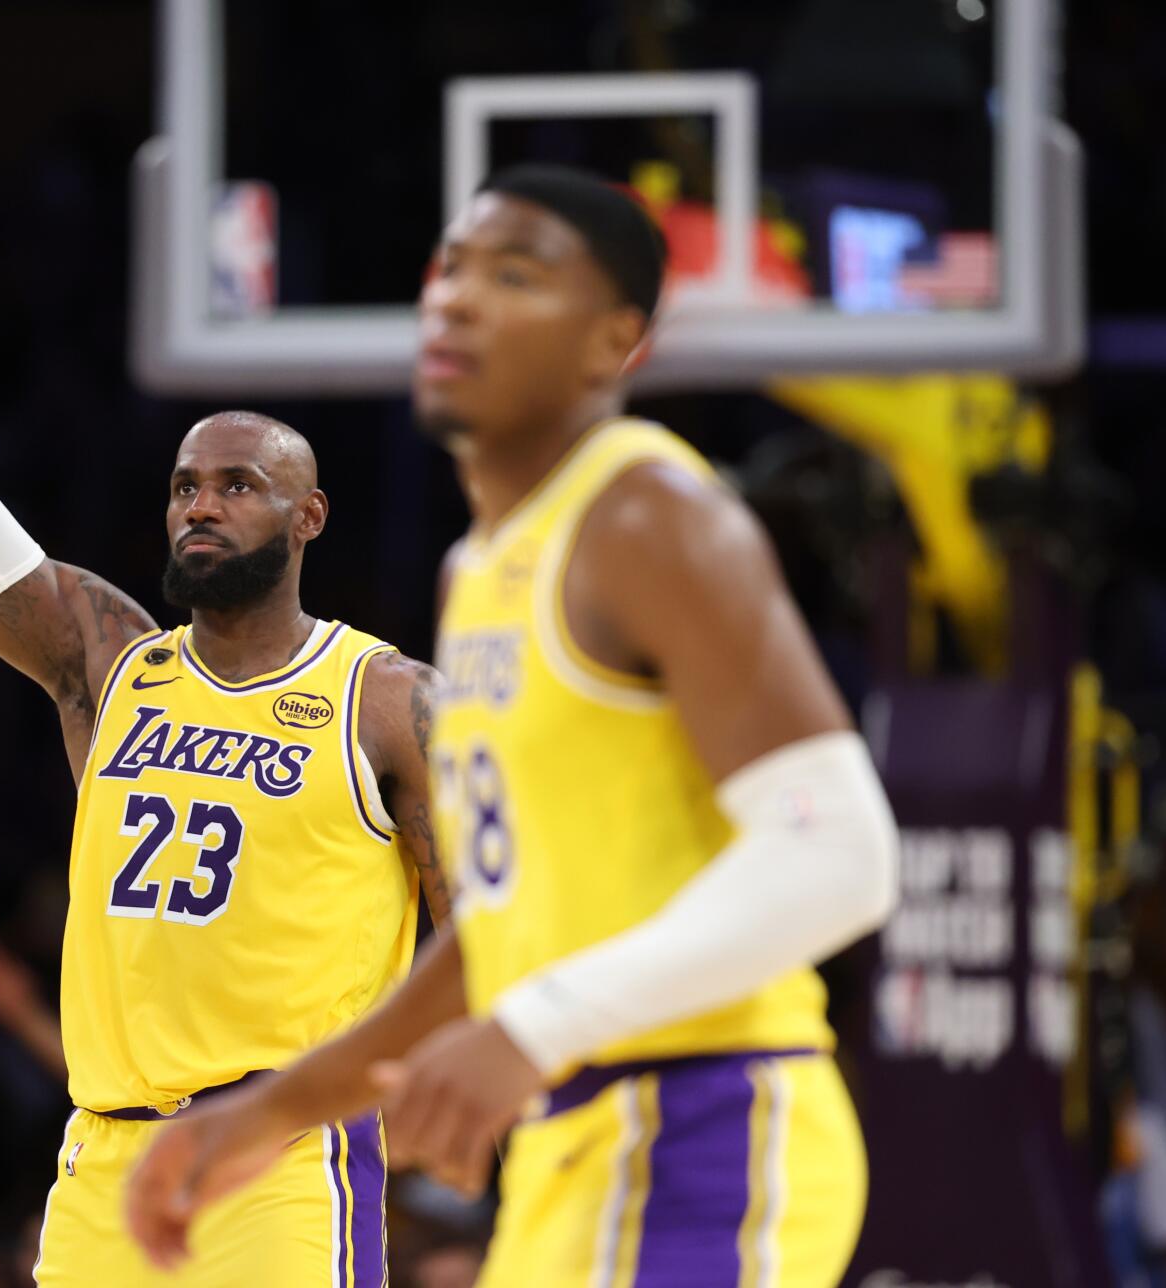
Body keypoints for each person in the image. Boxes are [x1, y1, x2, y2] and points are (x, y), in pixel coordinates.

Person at [127, 165, 900, 1285]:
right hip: (571, 1142)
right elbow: (502, 929)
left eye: (516, 275)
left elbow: (841, 856)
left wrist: (537, 1022)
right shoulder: (480, 568)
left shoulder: (647, 511)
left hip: (704, 1120)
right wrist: (262, 1117)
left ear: (613, 343)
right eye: (450, 271)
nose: (457, 299)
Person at [0, 56, 448, 1287]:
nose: (201, 504)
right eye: (187, 483)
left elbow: (483, 926)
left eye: (239, 485)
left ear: (308, 518)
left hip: (286, 1159)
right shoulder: (109, 660)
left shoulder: (387, 699)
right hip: (101, 1163)